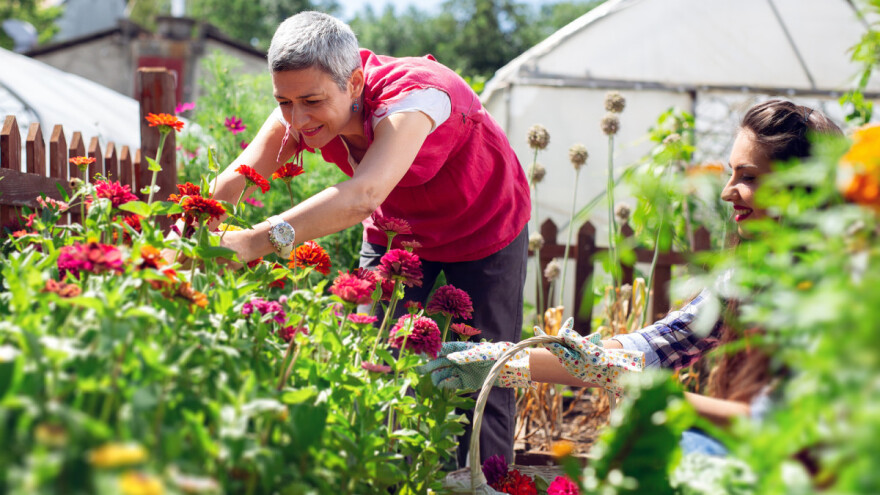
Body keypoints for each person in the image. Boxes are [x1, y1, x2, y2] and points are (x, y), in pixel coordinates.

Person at [194, 11, 531, 467]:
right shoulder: (300, 108)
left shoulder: (417, 99)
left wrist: (255, 241)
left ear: (354, 83)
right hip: (399, 233)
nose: (297, 118)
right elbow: (240, 176)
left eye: (311, 101)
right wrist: (185, 230)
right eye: (284, 102)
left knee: (480, 372)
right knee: (374, 361)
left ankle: (482, 483)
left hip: (483, 229)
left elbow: (362, 196)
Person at [420, 99, 843, 456]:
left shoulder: (840, 287)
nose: (726, 190)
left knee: (689, 447)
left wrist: (660, 399)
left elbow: (777, 426)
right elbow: (652, 347)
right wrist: (505, 362)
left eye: (747, 176)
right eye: (731, 173)